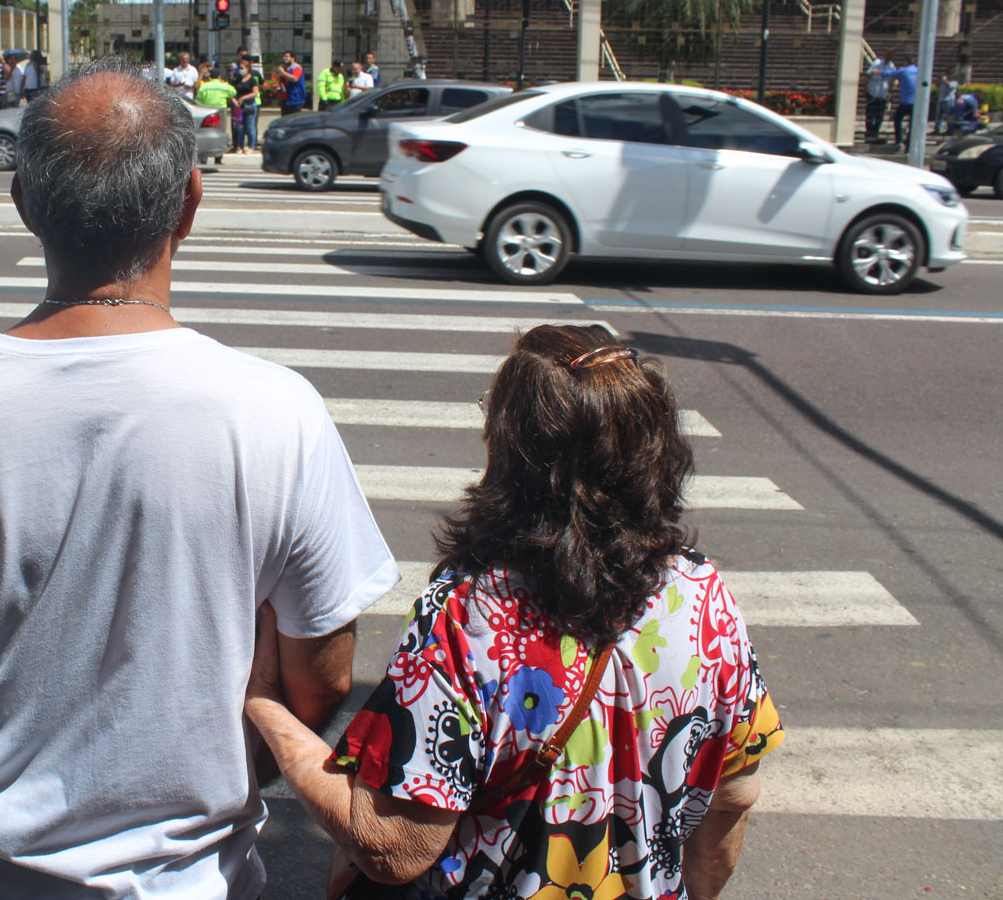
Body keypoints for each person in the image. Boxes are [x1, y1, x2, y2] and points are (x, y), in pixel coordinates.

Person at [0, 55, 399, 900]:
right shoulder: (277, 412)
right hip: (188, 879)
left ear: (24, 204)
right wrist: (224, 763)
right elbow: (318, 680)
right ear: (190, 203)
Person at [245, 323, 784, 900]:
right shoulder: (704, 596)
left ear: (512, 448)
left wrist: (268, 708)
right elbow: (734, 795)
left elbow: (394, 845)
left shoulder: (466, 619)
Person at [232, 57, 260, 153]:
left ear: (248, 69)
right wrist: (235, 101)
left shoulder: (252, 80)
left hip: (249, 105)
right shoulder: (237, 80)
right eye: (239, 68)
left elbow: (255, 93)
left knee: (250, 126)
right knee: (240, 127)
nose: (241, 70)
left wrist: (244, 98)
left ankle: (251, 146)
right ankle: (240, 146)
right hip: (239, 106)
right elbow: (232, 92)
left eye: (242, 68)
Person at [892, 57, 919, 149]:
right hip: (916, 102)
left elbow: (891, 74)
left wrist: (880, 72)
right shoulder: (919, 71)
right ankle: (910, 142)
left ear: (906, 62)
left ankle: (899, 139)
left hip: (905, 101)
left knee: (897, 118)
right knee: (913, 123)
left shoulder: (904, 71)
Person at [865, 53, 889, 143]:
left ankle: (875, 133)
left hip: (883, 95)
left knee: (880, 117)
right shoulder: (877, 63)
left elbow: (892, 80)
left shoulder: (891, 66)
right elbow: (869, 74)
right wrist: (865, 87)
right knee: (870, 115)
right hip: (873, 93)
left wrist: (891, 92)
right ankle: (869, 134)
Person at [277, 50, 307, 115]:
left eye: (287, 56)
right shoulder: (285, 69)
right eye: (284, 57)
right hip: (285, 98)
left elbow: (295, 79)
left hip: (295, 98)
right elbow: (281, 83)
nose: (285, 58)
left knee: (294, 117)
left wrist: (283, 73)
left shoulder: (296, 67)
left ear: (293, 58)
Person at [936, 70, 958, 135]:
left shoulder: (954, 82)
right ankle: (937, 129)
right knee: (939, 116)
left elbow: (949, 85)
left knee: (949, 115)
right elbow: (937, 85)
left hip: (949, 100)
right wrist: (938, 79)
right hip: (941, 99)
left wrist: (945, 80)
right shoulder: (943, 81)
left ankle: (950, 130)